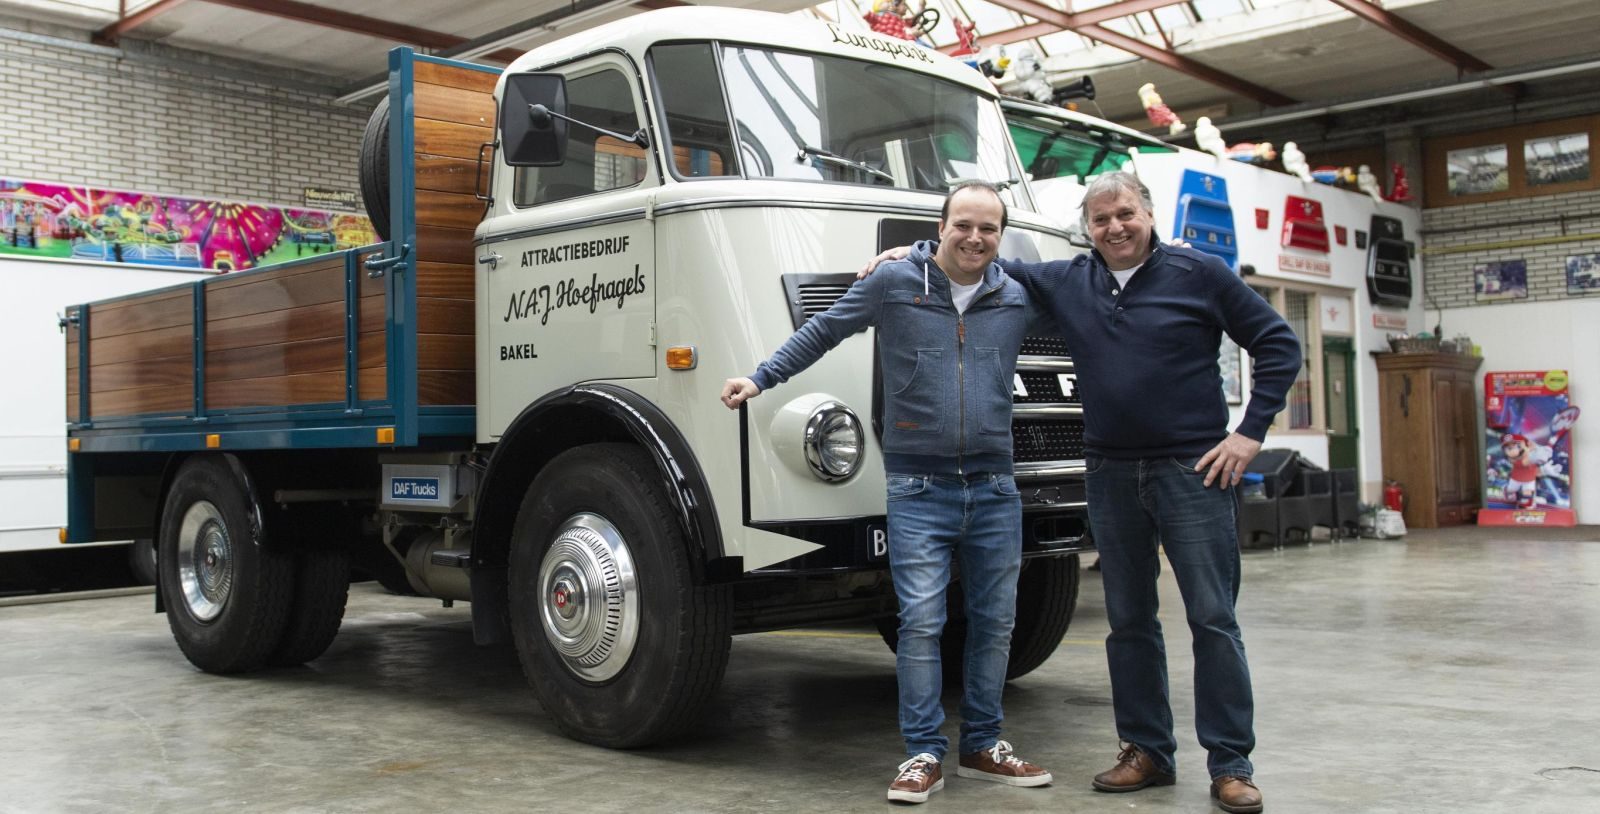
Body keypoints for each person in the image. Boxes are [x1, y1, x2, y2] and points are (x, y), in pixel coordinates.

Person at [863, 172, 1301, 814]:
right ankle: (1146, 751)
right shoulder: (1070, 280)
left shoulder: (1198, 273)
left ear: (1147, 214)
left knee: (1212, 618)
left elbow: (1278, 344)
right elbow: (980, 256)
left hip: (1194, 471)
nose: (1115, 228)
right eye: (1100, 220)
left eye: (1125, 214)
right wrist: (914, 255)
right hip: (1111, 472)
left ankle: (1231, 764)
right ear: (1087, 230)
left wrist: (1249, 433)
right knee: (1129, 622)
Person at [721, 182, 1052, 804]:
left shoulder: (1016, 295)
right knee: (922, 622)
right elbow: (824, 329)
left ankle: (983, 744)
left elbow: (1088, 292)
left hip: (994, 485)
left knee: (995, 622)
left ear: (1000, 236)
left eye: (988, 228)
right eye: (963, 225)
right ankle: (922, 753)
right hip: (917, 485)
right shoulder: (895, 282)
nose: (975, 238)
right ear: (942, 225)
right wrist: (760, 377)